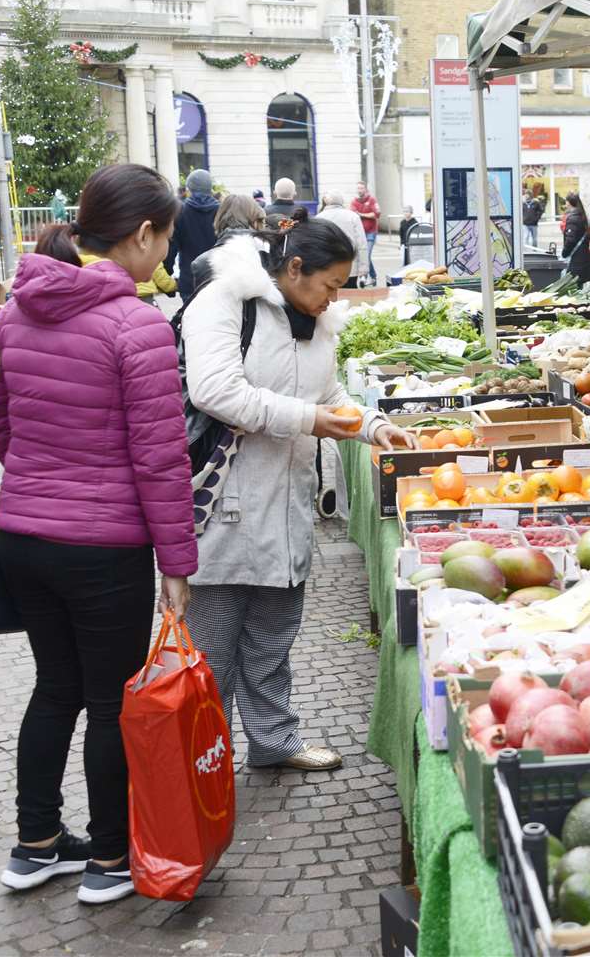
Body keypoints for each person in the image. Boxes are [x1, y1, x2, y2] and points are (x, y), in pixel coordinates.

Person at [0, 163, 195, 905]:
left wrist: (36, 470)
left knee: (55, 687)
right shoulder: (139, 325)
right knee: (111, 699)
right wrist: (177, 561)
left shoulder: (17, 308)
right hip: (104, 549)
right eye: (162, 239)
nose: (163, 254)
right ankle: (106, 859)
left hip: (24, 536)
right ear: (142, 233)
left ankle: (35, 845)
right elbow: (160, 458)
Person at [181, 219, 406, 771]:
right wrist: (308, 419)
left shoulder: (317, 321)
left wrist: (372, 425)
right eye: (330, 285)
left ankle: (274, 742)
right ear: (295, 268)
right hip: (222, 503)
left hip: (287, 503)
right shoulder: (226, 304)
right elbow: (214, 391)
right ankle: (205, 760)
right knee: (213, 647)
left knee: (273, 638)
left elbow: (327, 393)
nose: (334, 298)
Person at [166, 169, 221, 303]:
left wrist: (167, 272)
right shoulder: (221, 211)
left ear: (189, 188)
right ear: (210, 188)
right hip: (218, 278)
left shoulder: (180, 212)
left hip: (190, 279)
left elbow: (172, 246)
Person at [318, 191, 369, 282]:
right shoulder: (353, 216)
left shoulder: (319, 218)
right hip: (350, 268)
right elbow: (362, 244)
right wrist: (363, 268)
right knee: (350, 294)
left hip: (327, 267)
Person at [561, 192, 590, 285]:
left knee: (573, 289)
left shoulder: (573, 218)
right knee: (579, 288)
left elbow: (571, 239)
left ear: (569, 203)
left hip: (576, 261)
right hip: (583, 258)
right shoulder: (582, 216)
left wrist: (564, 253)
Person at [351, 182, 380, 266]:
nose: (359, 190)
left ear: (366, 189)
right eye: (358, 188)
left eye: (361, 188)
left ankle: (366, 276)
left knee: (367, 256)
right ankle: (372, 276)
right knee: (363, 257)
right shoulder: (354, 201)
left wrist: (361, 214)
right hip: (359, 233)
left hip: (371, 232)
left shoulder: (372, 200)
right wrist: (368, 215)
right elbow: (353, 215)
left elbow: (376, 214)